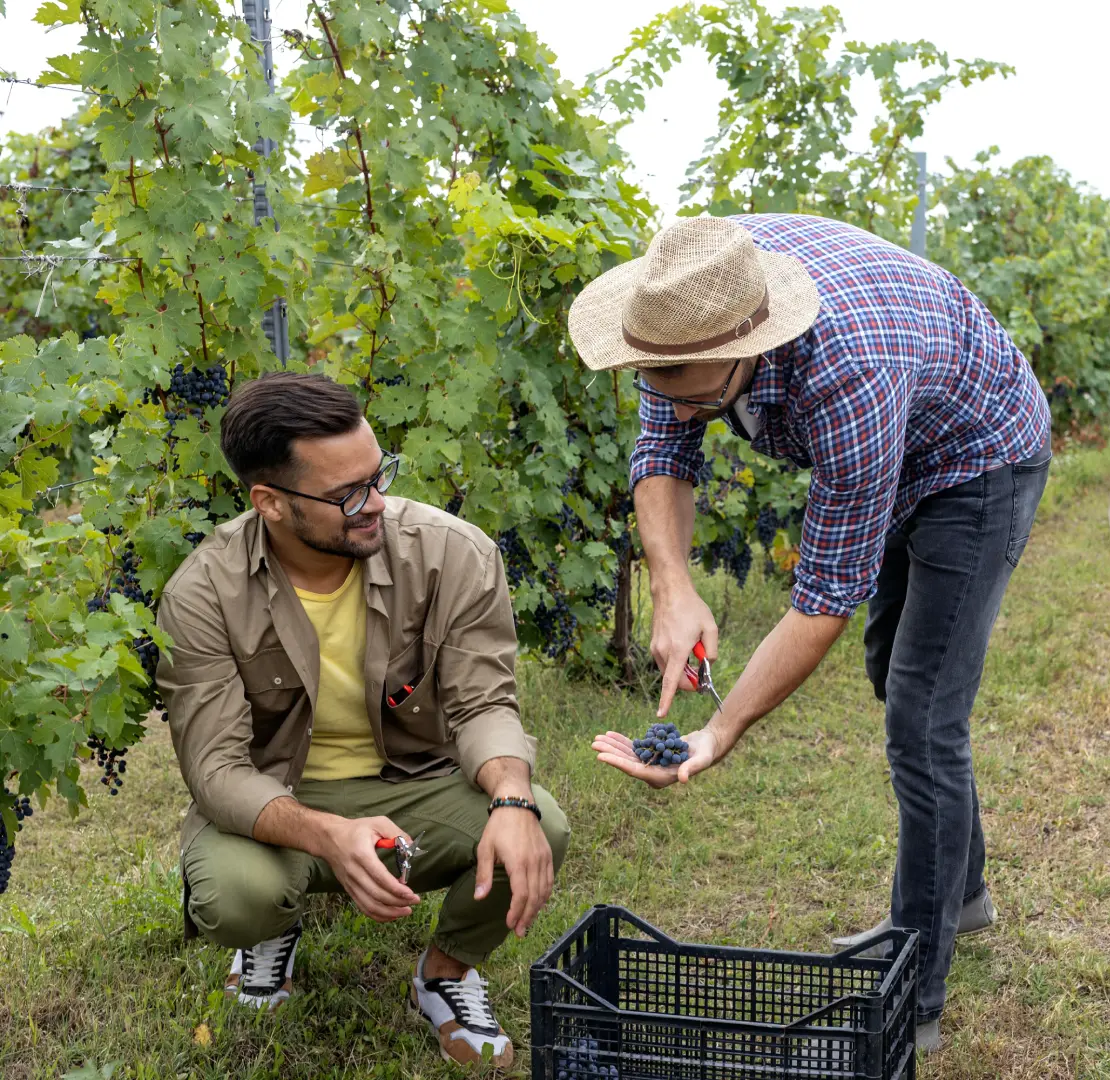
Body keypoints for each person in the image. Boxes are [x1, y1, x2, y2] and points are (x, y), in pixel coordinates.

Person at [568, 214, 1052, 1052]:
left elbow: (823, 598)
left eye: (680, 382)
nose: (662, 395)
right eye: (650, 374)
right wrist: (673, 588)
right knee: (894, 675)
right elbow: (662, 452)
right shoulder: (689, 294)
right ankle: (959, 893)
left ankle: (917, 987)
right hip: (906, 437)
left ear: (746, 345)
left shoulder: (848, 375)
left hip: (977, 458)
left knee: (922, 716)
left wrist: (719, 731)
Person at [155, 372, 570, 1067]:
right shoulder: (202, 594)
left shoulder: (452, 554)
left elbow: (483, 703)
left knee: (538, 822)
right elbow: (217, 771)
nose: (376, 503)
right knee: (239, 896)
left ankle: (445, 973)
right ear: (271, 503)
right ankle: (274, 928)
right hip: (278, 799)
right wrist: (328, 833)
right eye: (347, 493)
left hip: (412, 783)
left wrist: (510, 795)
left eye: (379, 476)